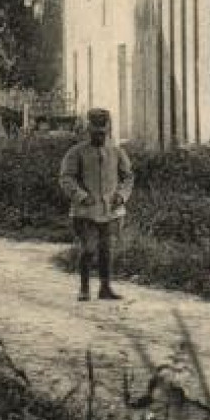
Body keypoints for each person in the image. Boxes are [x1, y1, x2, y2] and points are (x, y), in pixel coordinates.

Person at [58, 108, 132, 302]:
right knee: (89, 249)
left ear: (108, 130)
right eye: (95, 132)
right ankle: (84, 289)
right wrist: (81, 196)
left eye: (103, 132)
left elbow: (128, 177)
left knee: (107, 249)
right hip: (84, 212)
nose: (99, 136)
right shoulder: (76, 153)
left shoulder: (116, 152)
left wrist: (121, 196)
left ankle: (105, 288)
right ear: (88, 130)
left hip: (111, 212)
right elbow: (66, 178)